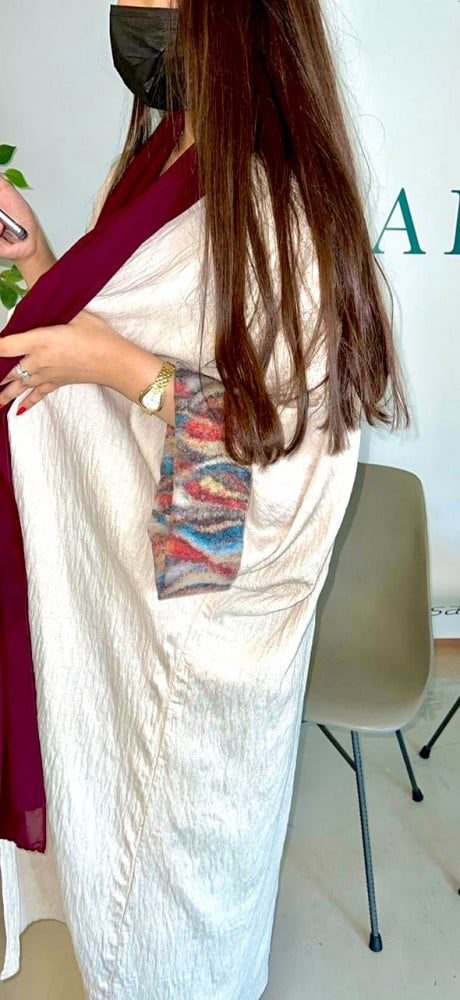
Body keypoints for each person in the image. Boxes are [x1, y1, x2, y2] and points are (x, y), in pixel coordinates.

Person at [0, 1, 408, 996]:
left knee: (177, 913)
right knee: (118, 887)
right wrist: (44, 265)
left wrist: (111, 364)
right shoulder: (169, 154)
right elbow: (133, 340)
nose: (126, 13)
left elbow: (270, 485)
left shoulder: (282, 214)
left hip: (200, 645)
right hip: (128, 620)